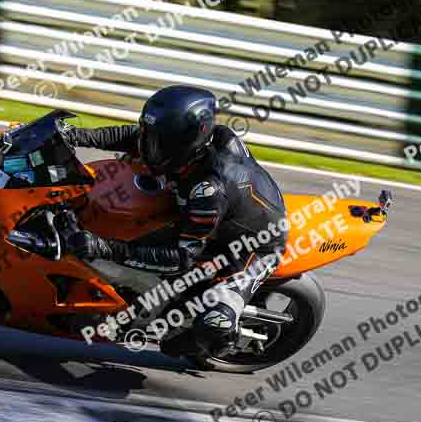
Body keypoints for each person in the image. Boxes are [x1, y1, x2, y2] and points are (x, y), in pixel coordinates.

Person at [61, 85, 288, 358]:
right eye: (150, 136)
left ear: (186, 143)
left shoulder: (209, 189)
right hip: (212, 215)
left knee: (214, 322)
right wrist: (73, 136)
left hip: (251, 246)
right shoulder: (190, 148)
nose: (148, 147)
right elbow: (132, 136)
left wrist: (104, 248)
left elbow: (181, 258)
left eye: (159, 142)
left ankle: (218, 342)